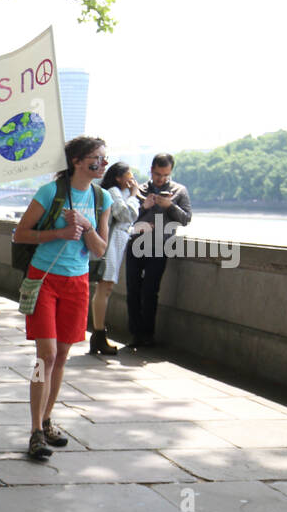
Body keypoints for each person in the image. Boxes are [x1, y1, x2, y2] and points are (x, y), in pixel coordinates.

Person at [12, 136, 112, 460]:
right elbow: (20, 234)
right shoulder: (50, 192)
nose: (103, 164)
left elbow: (100, 249)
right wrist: (59, 233)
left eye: (104, 158)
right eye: (97, 158)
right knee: (47, 354)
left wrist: (85, 225)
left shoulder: (102, 198)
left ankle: (47, 418)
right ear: (78, 161)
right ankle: (35, 432)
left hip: (78, 282)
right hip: (44, 279)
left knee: (63, 355)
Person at [125, 153, 192, 349]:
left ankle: (148, 334)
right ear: (151, 171)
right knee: (133, 290)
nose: (160, 179)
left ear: (170, 172)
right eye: (157, 174)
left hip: (160, 247)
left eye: (165, 175)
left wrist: (169, 205)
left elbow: (186, 219)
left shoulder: (179, 191)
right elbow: (126, 218)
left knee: (150, 291)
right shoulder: (140, 190)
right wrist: (144, 205)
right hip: (136, 244)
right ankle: (135, 334)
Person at [90, 162, 139, 355]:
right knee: (105, 287)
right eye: (129, 174)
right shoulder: (112, 191)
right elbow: (126, 214)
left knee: (105, 288)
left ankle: (99, 334)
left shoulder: (116, 192)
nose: (132, 178)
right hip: (109, 247)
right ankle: (99, 334)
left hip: (113, 246)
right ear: (119, 177)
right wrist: (134, 195)